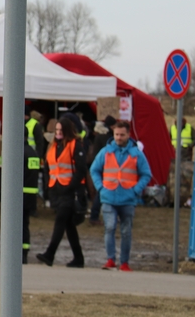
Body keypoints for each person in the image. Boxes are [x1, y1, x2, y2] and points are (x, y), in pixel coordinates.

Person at [90, 120, 152, 272]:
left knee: (126, 231)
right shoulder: (106, 152)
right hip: (108, 197)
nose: (119, 138)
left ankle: (124, 262)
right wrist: (101, 188)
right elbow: (94, 170)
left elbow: (146, 174)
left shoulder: (136, 154)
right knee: (110, 227)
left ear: (128, 135)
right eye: (116, 134)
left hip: (128, 198)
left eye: (122, 135)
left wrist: (135, 190)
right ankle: (110, 259)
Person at [36, 115, 89, 268]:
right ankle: (78, 258)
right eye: (56, 130)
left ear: (67, 130)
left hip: (70, 190)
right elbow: (48, 167)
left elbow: (81, 170)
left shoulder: (75, 145)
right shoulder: (53, 146)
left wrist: (70, 186)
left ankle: (50, 253)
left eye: (61, 130)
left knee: (61, 220)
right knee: (68, 225)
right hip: (56, 189)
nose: (58, 132)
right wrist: (48, 187)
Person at [22, 131, 42, 263]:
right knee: (25, 225)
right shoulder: (33, 153)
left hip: (20, 195)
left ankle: (19, 253)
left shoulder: (19, 152)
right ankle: (24, 252)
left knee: (17, 226)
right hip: (31, 195)